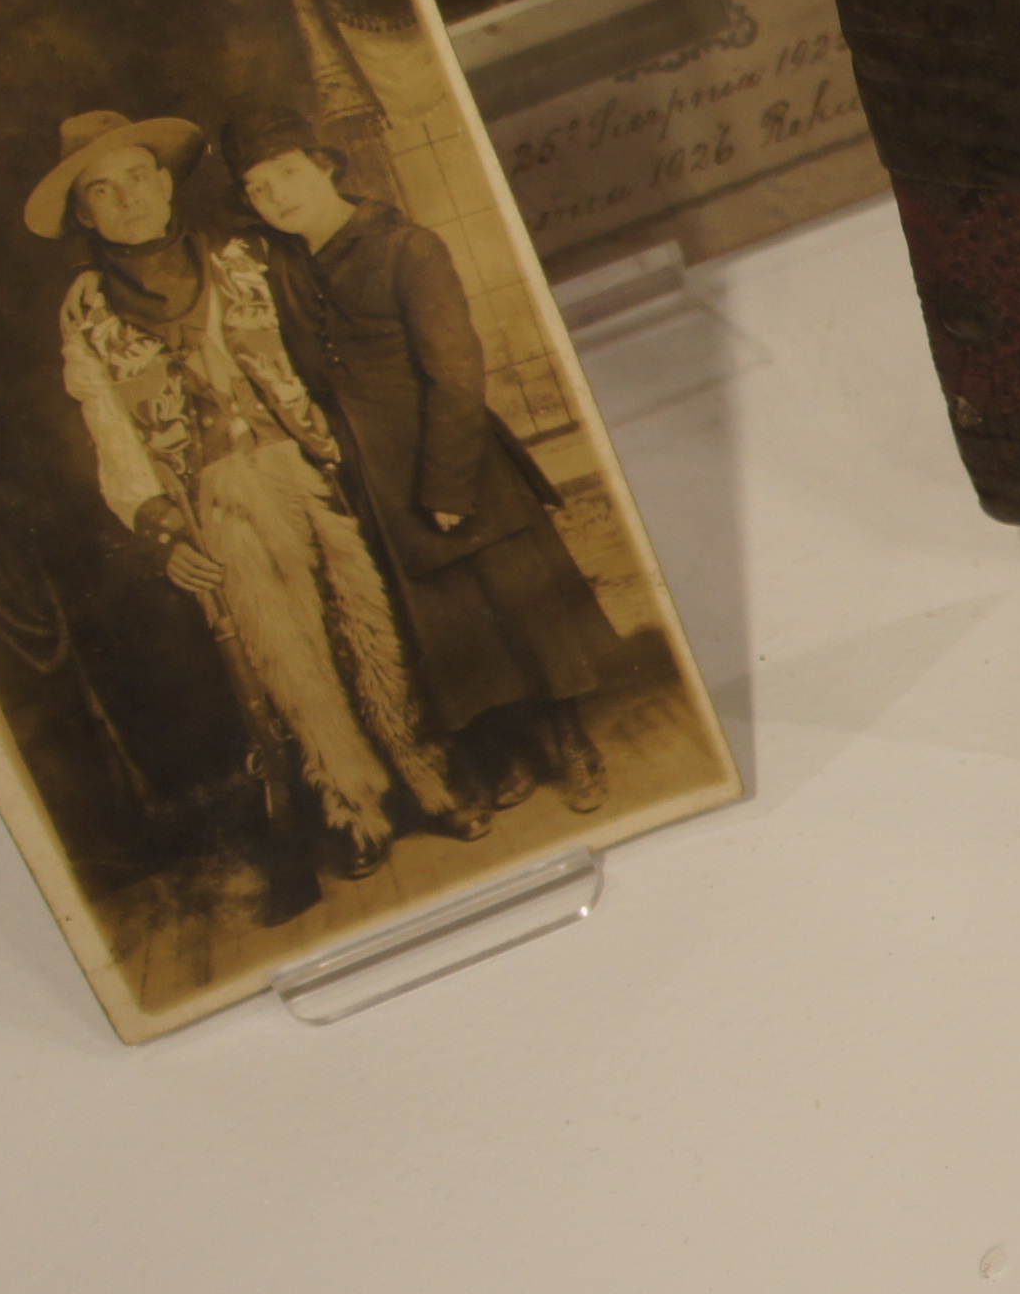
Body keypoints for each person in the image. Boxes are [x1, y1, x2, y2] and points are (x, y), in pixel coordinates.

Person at [38, 108, 470, 909]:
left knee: (369, 619)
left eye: (138, 177)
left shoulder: (243, 254)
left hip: (310, 468)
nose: (128, 199)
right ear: (84, 214)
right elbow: (110, 434)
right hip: (213, 501)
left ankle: (429, 777)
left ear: (166, 183)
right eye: (103, 190)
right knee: (287, 658)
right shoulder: (87, 310)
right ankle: (354, 807)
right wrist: (160, 530)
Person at [226, 110, 622, 815]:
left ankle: (572, 742)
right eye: (257, 188)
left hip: (453, 457)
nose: (275, 195)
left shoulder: (407, 248)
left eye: (286, 173)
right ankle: (511, 750)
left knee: (522, 612)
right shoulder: (279, 268)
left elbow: (455, 370)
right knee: (452, 629)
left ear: (325, 167)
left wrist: (445, 482)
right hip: (372, 478)